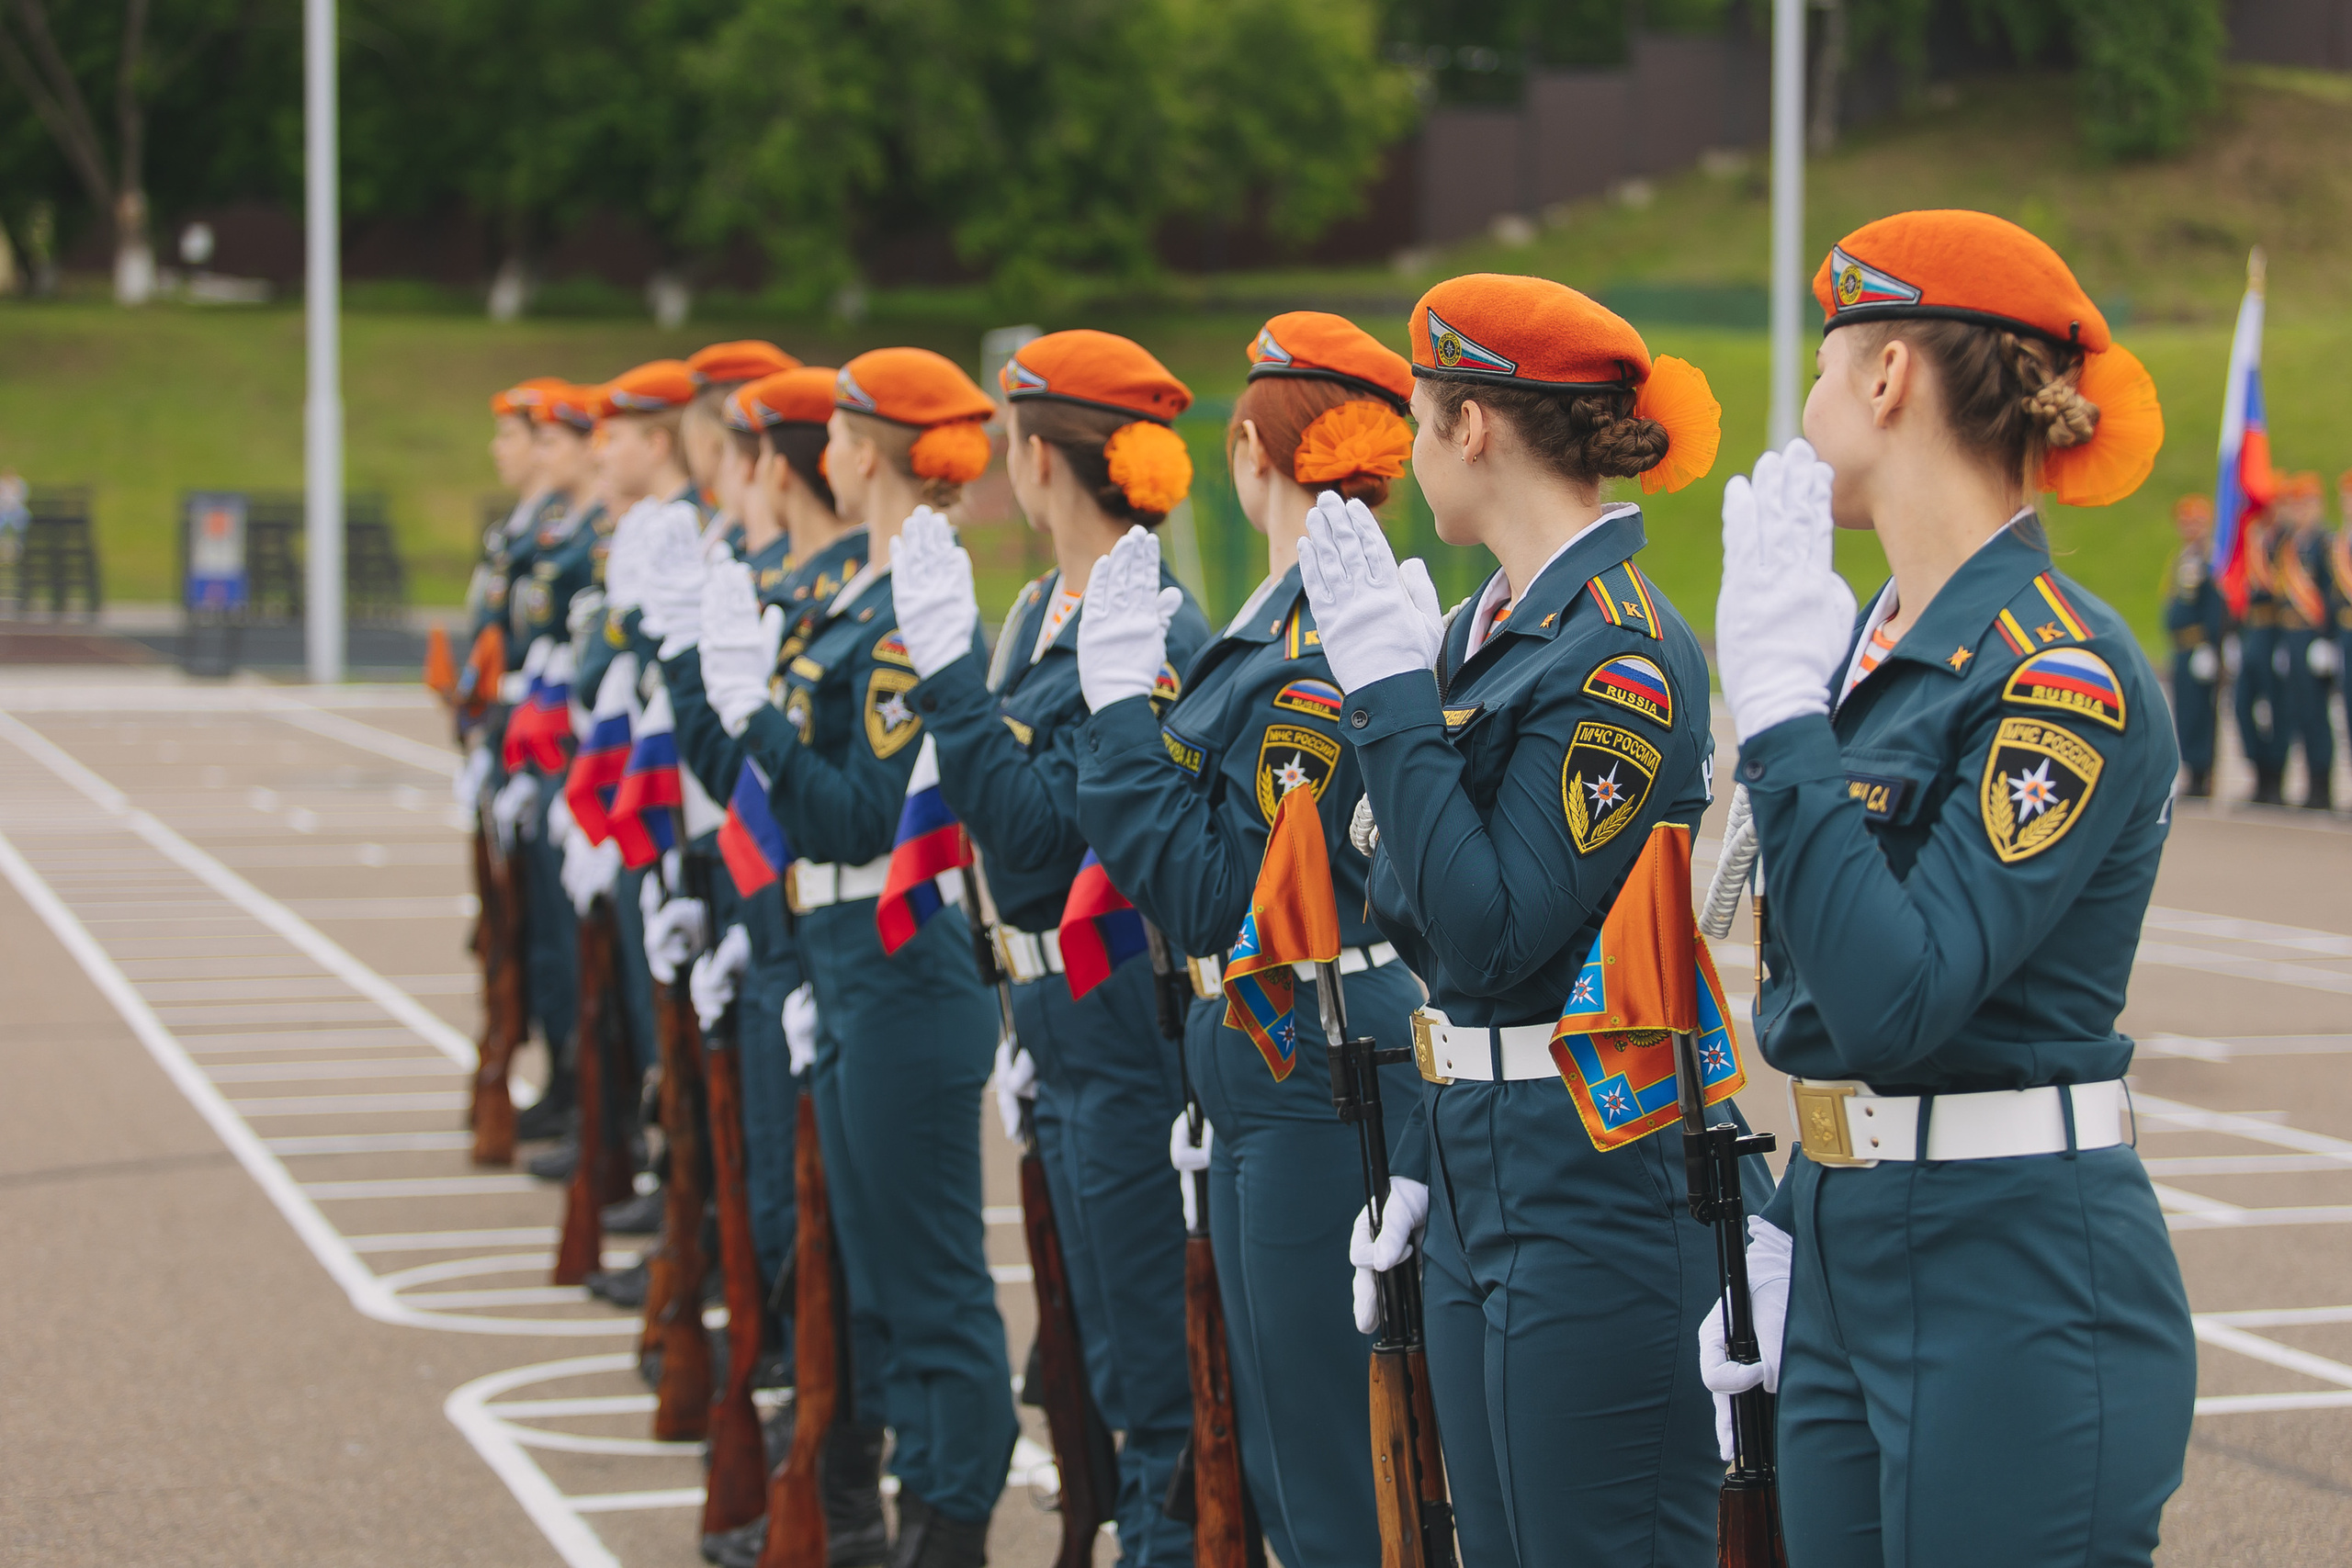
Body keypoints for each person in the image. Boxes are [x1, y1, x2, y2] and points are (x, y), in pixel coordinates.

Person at [1706, 209, 2194, 1568]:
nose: (1805, 404)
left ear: (1888, 376)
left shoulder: (2059, 675)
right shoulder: (1867, 651)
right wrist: (1798, 1215)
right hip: (1853, 1235)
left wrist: (1792, 722)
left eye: (1821, 364)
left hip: (2013, 1272)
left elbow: (1894, 997)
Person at [1295, 276, 1739, 1565]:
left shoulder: (1620, 656)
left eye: (1422, 415)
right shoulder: (1483, 638)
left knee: (1593, 1541)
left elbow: (1486, 931)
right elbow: (1405, 897)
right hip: (1483, 1142)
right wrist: (1433, 1158)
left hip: (1592, 1160)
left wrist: (1383, 691)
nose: (1415, 449)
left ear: (1475, 425)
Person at [1074, 312, 1422, 1568]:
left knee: (1322, 1466)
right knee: (1283, 1451)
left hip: (1310, 1059)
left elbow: (1224, 894)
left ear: (1247, 451)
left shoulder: (1313, 649)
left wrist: (1117, 720)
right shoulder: (1284, 629)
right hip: (1271, 1060)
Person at [890, 328, 1210, 1566]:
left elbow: (1029, 837)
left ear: (1039, 460)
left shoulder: (1147, 629)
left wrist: (958, 691)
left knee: (1151, 1367)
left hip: (1123, 1025)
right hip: (1058, 1024)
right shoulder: (1041, 611)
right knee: (1086, 1344)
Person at [692, 347, 1015, 1568]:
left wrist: (754, 710)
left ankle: (951, 1518)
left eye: (832, 429)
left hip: (895, 954)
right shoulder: (847, 598)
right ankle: (887, 1506)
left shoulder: (904, 616)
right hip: (834, 950)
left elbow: (854, 817)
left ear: (867, 450)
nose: (815, 450)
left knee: (929, 1280)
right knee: (873, 1275)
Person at [2269, 472, 2337, 809]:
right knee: (2298, 714)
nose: (2300, 511)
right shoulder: (2289, 545)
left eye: (2306, 504)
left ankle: (2323, 786)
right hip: (2292, 638)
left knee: (2316, 715)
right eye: (2295, 505)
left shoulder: (2325, 544)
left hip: (2314, 638)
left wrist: (2327, 639)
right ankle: (2310, 784)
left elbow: (2330, 592)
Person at [2163, 494, 2229, 797]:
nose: (2191, 528)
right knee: (2186, 711)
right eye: (2186, 522)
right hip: (2181, 648)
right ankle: (2191, 768)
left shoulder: (2212, 559)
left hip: (2200, 645)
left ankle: (2204, 773)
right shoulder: (2183, 557)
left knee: (2203, 713)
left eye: (2197, 522)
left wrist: (2211, 646)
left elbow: (2215, 606)